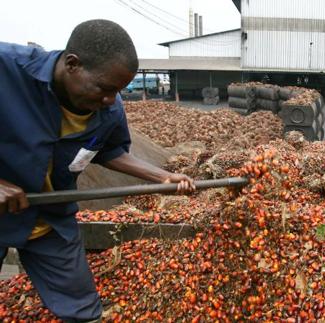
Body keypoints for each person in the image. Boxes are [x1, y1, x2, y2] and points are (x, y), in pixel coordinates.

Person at [0, 20, 194, 322]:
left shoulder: (110, 109)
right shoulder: (8, 70)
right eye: (105, 89)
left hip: (47, 219)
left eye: (118, 91)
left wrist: (162, 177)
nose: (110, 100)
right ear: (73, 64)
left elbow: (110, 151)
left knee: (83, 311)